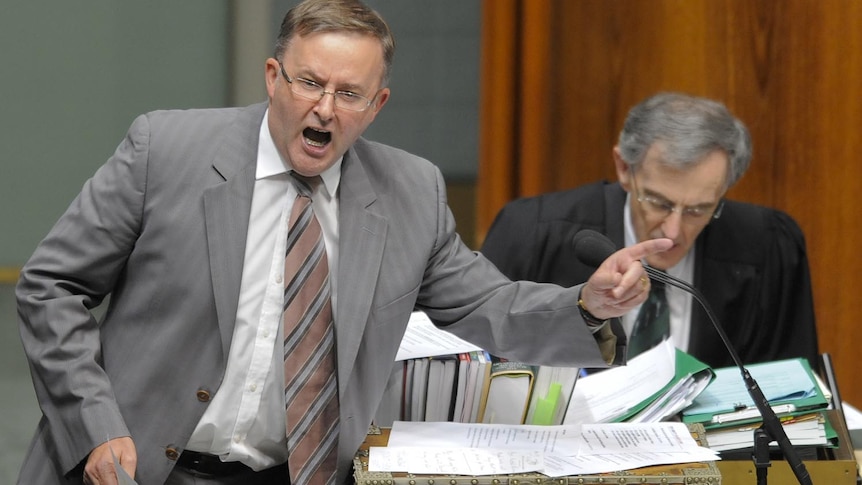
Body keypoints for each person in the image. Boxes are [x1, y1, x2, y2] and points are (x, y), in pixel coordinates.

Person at [15, 1, 672, 484]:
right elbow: (52, 287)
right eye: (309, 82)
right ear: (273, 76)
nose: (325, 108)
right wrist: (96, 425)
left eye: (349, 93)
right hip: (129, 465)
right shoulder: (167, 148)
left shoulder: (409, 191)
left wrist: (588, 303)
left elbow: (487, 306)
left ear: (377, 104)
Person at [481, 92, 819, 370]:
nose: (673, 232)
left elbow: (793, 400)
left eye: (699, 209)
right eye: (658, 202)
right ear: (624, 169)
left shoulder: (768, 246)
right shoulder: (534, 232)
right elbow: (476, 362)